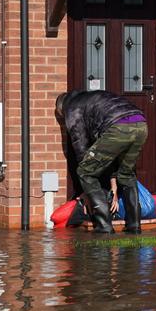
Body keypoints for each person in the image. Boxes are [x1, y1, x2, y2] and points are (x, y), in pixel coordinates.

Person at [56, 90, 148, 234]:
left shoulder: (72, 109)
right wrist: (113, 184)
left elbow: (80, 146)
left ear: (62, 108)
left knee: (85, 172)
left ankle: (104, 225)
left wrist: (87, 191)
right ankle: (134, 225)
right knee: (126, 174)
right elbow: (108, 156)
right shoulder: (92, 98)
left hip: (117, 127)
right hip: (140, 123)